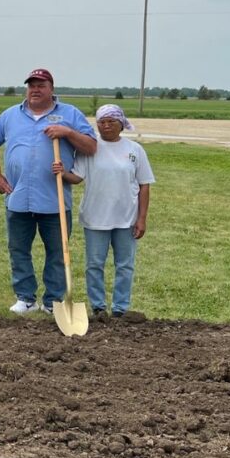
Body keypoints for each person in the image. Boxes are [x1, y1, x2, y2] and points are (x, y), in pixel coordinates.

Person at [0, 68, 97, 314]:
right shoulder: (10, 115)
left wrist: (67, 132)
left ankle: (52, 301)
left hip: (54, 199)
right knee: (18, 249)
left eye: (41, 85)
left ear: (51, 89)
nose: (35, 90)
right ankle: (25, 298)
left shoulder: (69, 114)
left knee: (57, 252)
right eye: (31, 85)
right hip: (18, 196)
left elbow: (91, 146)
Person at [55, 104, 154, 318]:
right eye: (102, 122)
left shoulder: (134, 150)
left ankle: (120, 309)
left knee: (125, 265)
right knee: (94, 265)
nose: (106, 126)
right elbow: (77, 177)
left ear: (121, 124)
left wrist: (142, 218)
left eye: (111, 122)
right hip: (95, 217)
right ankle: (98, 307)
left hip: (126, 218)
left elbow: (144, 184)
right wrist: (62, 173)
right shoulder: (90, 148)